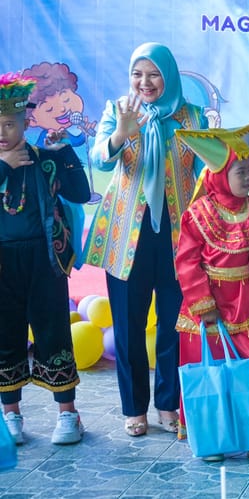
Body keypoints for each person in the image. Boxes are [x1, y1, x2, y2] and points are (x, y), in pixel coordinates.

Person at [85, 43, 208, 437]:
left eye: (153, 74)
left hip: (178, 237)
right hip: (126, 236)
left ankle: (168, 404)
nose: (145, 82)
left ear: (169, 76)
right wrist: (121, 134)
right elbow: (99, 159)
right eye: (138, 74)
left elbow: (210, 170)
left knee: (174, 325)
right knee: (127, 325)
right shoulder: (120, 109)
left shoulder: (192, 116)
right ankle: (134, 407)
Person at [173, 125, 249, 460]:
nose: (248, 177)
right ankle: (210, 437)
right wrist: (203, 304)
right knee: (210, 370)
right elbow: (187, 262)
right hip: (208, 306)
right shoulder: (198, 213)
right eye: (240, 171)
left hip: (245, 303)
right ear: (220, 175)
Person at [0, 72, 90, 446]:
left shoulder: (44, 159)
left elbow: (81, 193)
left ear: (26, 123)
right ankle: (11, 416)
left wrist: (64, 151)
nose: (3, 131)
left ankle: (67, 415)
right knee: (5, 337)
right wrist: (6, 165)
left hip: (45, 260)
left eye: (9, 124)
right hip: (4, 264)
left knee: (54, 332)